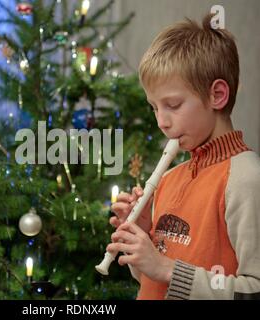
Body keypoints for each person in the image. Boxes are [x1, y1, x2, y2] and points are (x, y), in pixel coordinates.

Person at [107, 13, 260, 300]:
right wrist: (143, 237)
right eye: (154, 107)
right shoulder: (168, 178)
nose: (161, 121)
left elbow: (253, 290)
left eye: (172, 105)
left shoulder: (246, 179)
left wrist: (165, 267)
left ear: (217, 95)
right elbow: (153, 282)